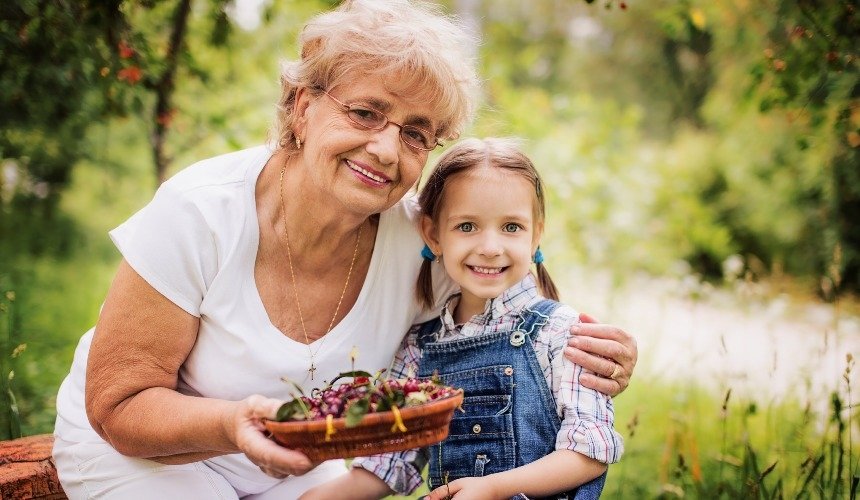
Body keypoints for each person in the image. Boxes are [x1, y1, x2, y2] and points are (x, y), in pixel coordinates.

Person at [52, 1, 637, 498]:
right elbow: (120, 406)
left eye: (415, 133)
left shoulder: (423, 244)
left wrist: (602, 357)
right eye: (364, 112)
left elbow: (518, 313)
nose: (386, 149)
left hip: (303, 468)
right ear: (303, 107)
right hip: (150, 458)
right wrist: (233, 425)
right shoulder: (200, 211)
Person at [300, 138, 623, 500]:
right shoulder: (420, 348)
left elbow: (590, 452)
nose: (489, 247)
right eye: (467, 226)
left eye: (511, 227)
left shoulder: (562, 332)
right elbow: (391, 460)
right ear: (433, 235)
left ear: (536, 236)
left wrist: (493, 488)